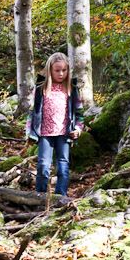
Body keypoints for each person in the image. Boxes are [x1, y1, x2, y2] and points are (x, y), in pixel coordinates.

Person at [26, 52, 84, 195]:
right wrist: (29, 133)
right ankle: (40, 196)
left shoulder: (71, 89)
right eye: (57, 70)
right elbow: (32, 112)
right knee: (43, 166)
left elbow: (79, 113)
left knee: (63, 167)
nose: (61, 74)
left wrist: (78, 128)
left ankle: (60, 196)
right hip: (45, 133)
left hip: (64, 134)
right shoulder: (41, 88)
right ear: (50, 70)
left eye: (64, 70)